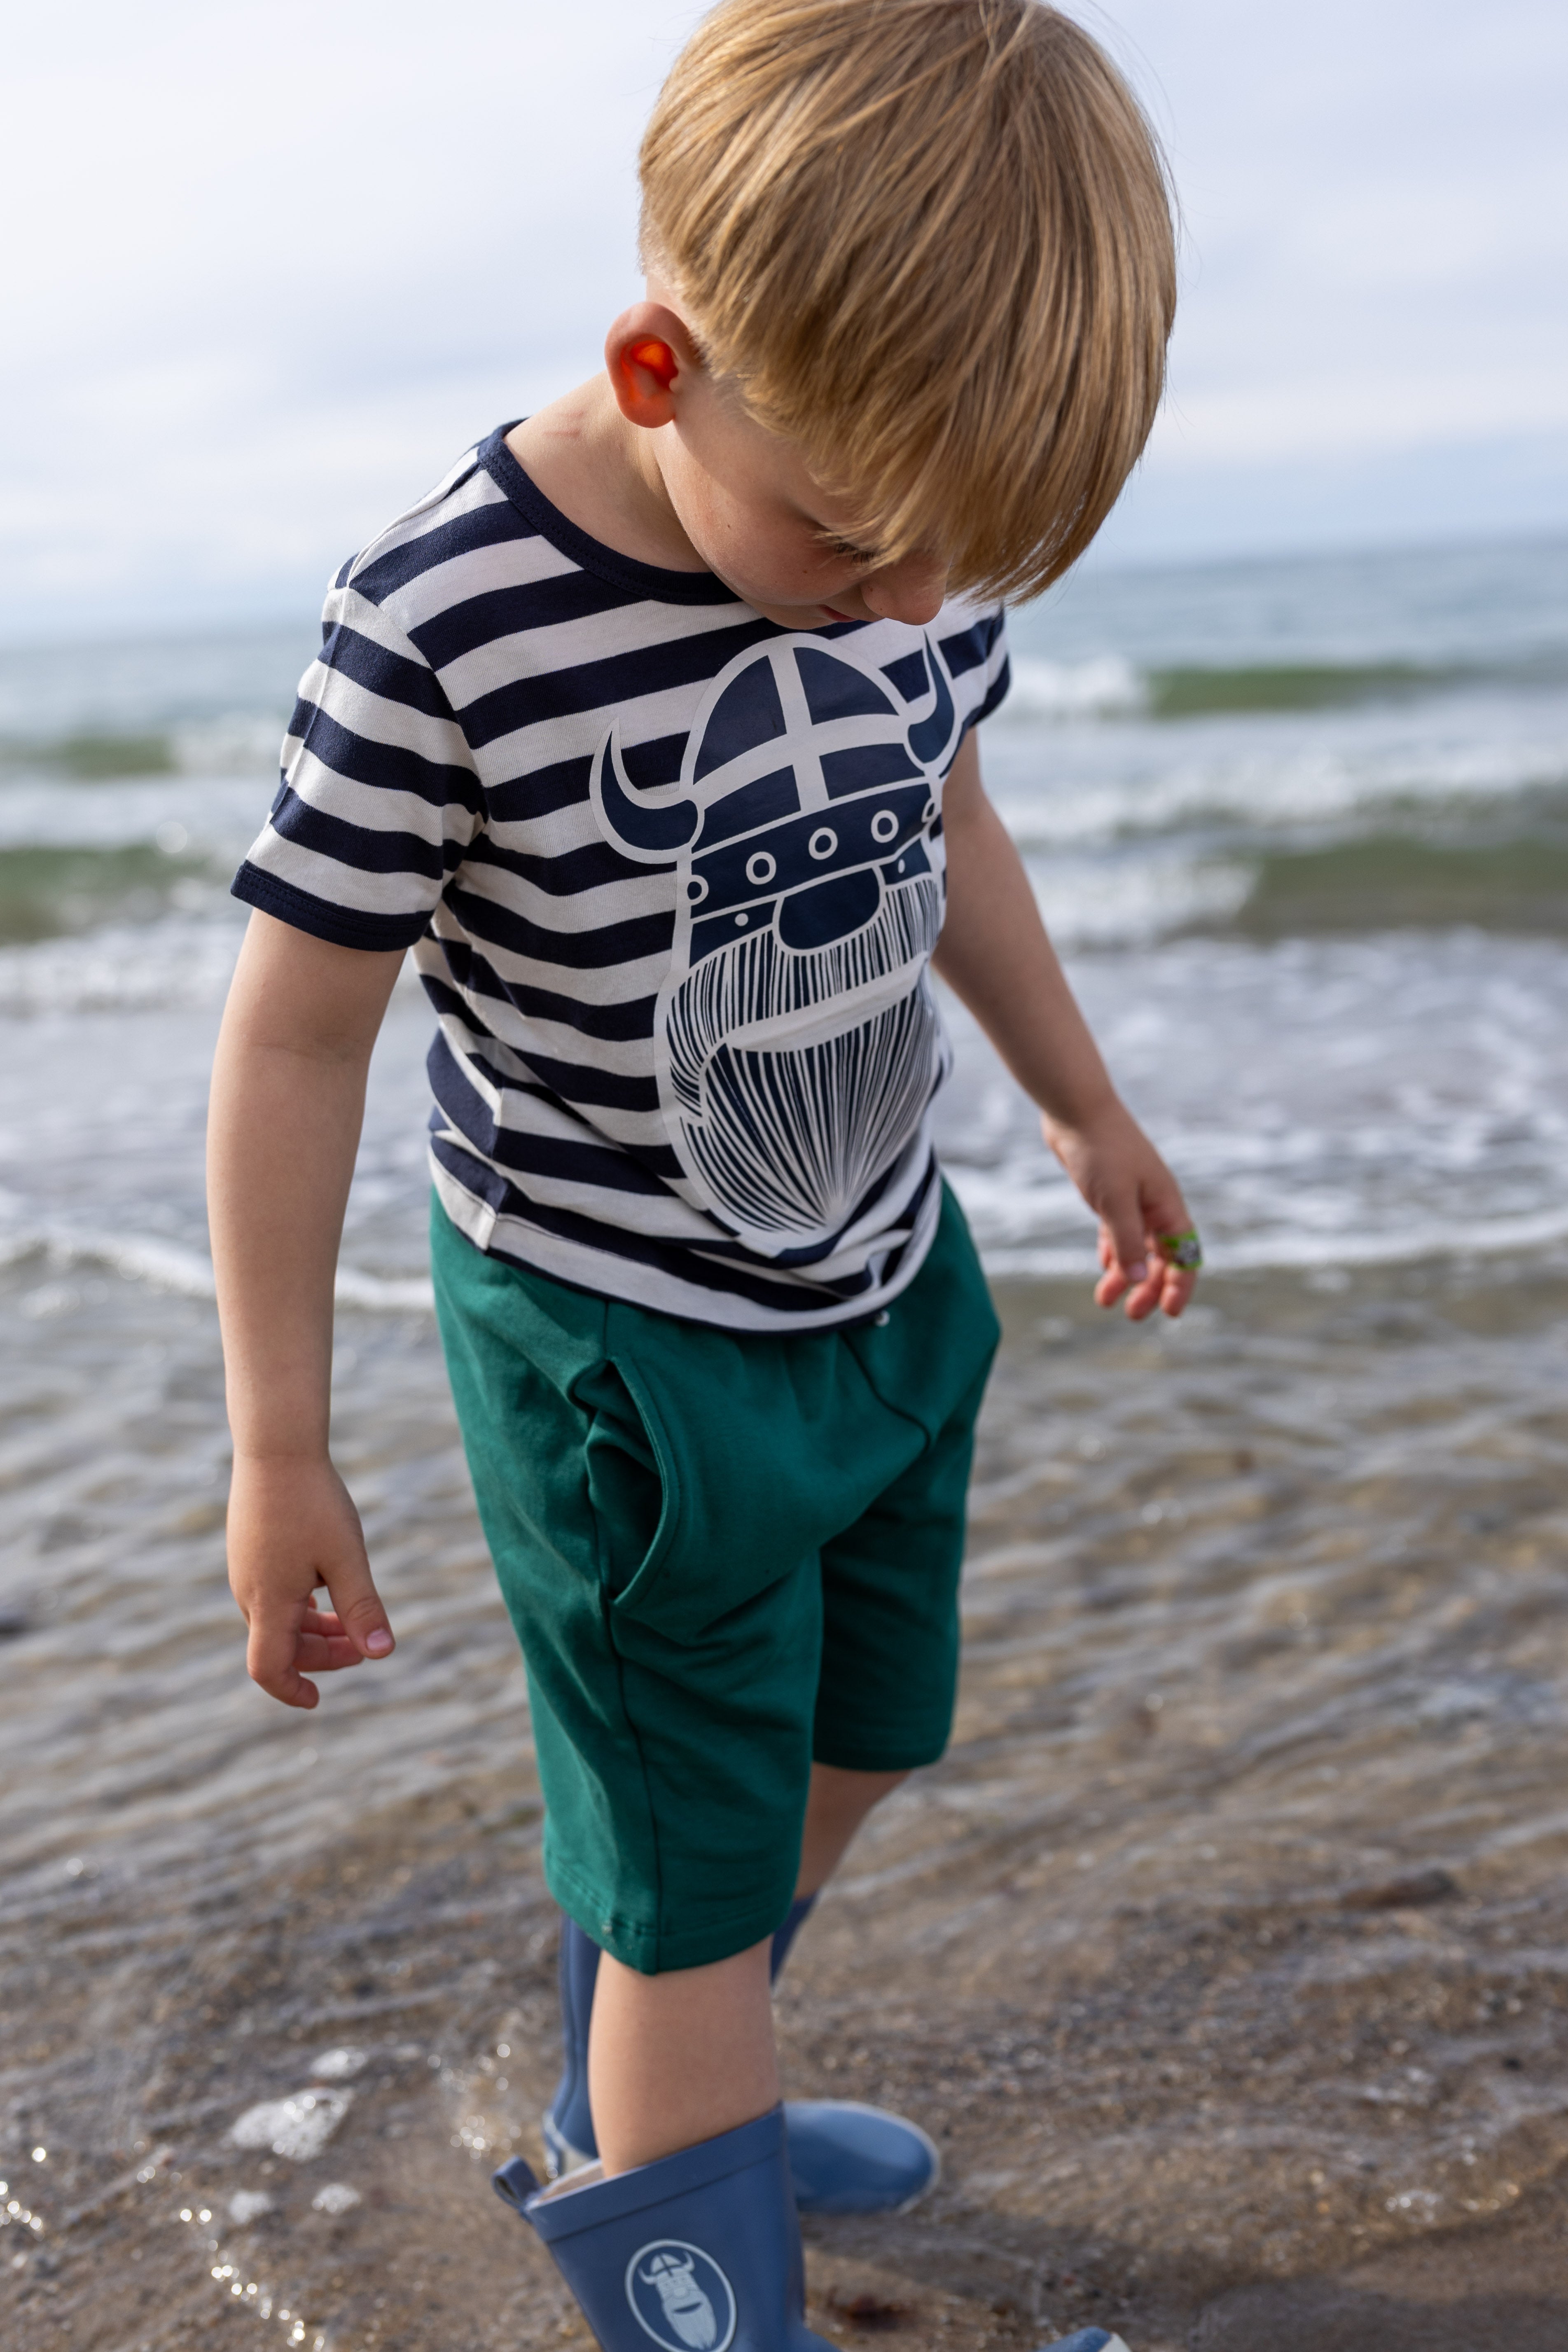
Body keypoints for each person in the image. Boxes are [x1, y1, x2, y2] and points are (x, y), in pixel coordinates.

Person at [208, 5, 1193, 2347]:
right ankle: (687, 2239)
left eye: (959, 567)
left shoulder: (902, 556)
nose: (904, 604)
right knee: (683, 1878)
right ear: (663, 367)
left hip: (875, 1271)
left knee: (860, 1738)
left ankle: (659, 2099)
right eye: (856, 543)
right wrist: (277, 1444)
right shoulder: (447, 617)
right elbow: (296, 1026)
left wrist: (1078, 1099)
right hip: (623, 1348)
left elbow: (949, 817)